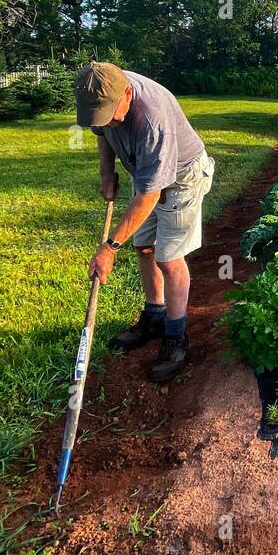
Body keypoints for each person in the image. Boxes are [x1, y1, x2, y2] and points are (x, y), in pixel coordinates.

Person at [74, 62, 215, 382]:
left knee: (168, 258)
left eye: (112, 113)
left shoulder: (153, 119)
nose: (109, 120)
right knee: (144, 246)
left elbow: (150, 195)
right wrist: (106, 173)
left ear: (127, 94)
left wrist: (109, 248)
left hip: (183, 178)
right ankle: (154, 315)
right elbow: (103, 132)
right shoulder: (99, 93)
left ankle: (176, 336)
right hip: (146, 172)